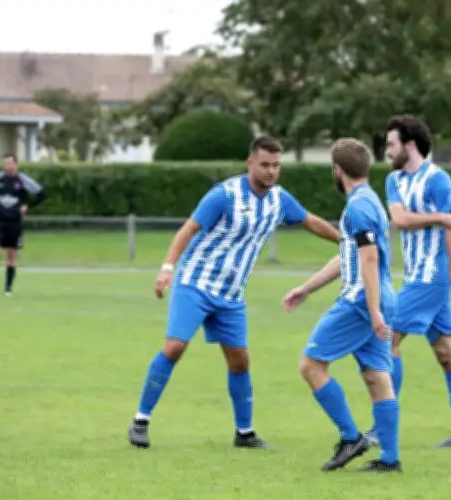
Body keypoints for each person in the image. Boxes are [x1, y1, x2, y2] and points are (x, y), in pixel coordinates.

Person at [128, 135, 341, 449]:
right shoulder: (224, 195)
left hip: (231, 295)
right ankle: (140, 421)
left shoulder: (279, 200)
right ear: (250, 163)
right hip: (195, 284)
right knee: (174, 348)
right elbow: (188, 229)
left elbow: (309, 221)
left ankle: (245, 433)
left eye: (276, 165)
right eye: (265, 164)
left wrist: (345, 242)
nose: (271, 171)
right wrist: (167, 268)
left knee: (240, 361)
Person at [282, 138, 400, 472]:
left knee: (311, 365)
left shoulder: (359, 208)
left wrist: (373, 310)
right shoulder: (370, 201)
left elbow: (369, 257)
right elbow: (348, 256)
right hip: (380, 297)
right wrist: (307, 288)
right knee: (377, 377)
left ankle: (351, 437)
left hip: (361, 302)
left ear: (338, 170)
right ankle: (390, 460)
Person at [366, 115, 451, 448]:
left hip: (431, 278)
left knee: (387, 342)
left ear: (410, 145)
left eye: (391, 144)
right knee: (447, 352)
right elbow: (399, 219)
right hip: (416, 276)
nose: (387, 151)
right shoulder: (394, 180)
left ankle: (382, 428)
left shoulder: (438, 181)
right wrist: (441, 217)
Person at [0, 154, 46, 296]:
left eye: (10, 163)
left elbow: (41, 194)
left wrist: (28, 206)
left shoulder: (23, 180)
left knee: (12, 255)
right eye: (5, 163)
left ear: (16, 164)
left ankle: (8, 289)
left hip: (15, 221)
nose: (7, 166)